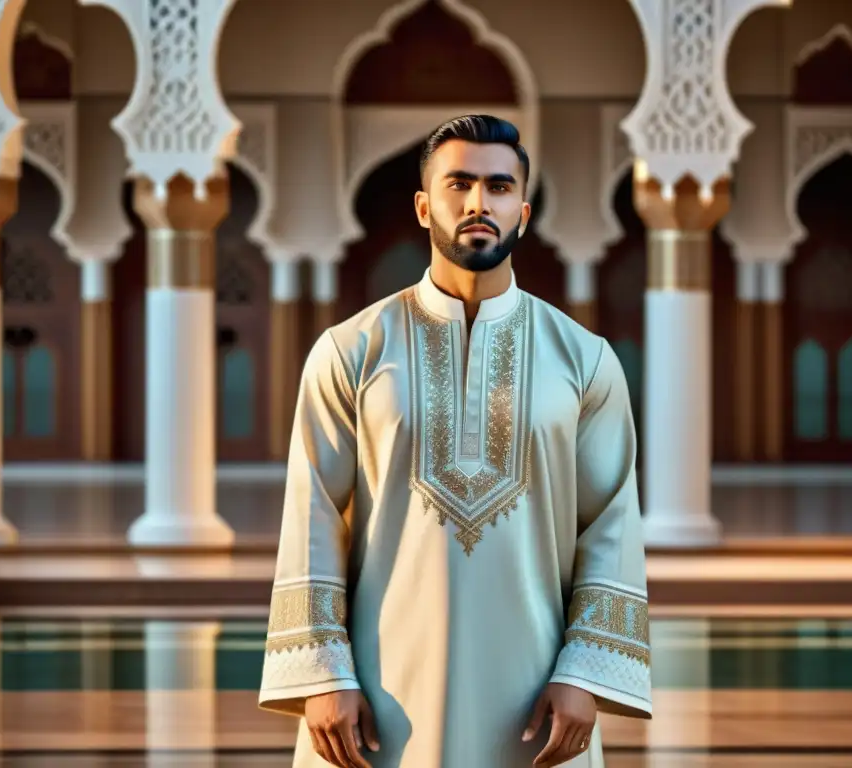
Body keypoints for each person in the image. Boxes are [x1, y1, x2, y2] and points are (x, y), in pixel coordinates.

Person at [258, 114, 652, 768]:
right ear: (423, 206)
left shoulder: (584, 361)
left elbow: (609, 523)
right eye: (459, 184)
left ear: (522, 212)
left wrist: (585, 673)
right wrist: (325, 676)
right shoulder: (352, 351)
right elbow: (312, 516)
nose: (478, 203)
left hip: (534, 692)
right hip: (380, 692)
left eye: (499, 187)